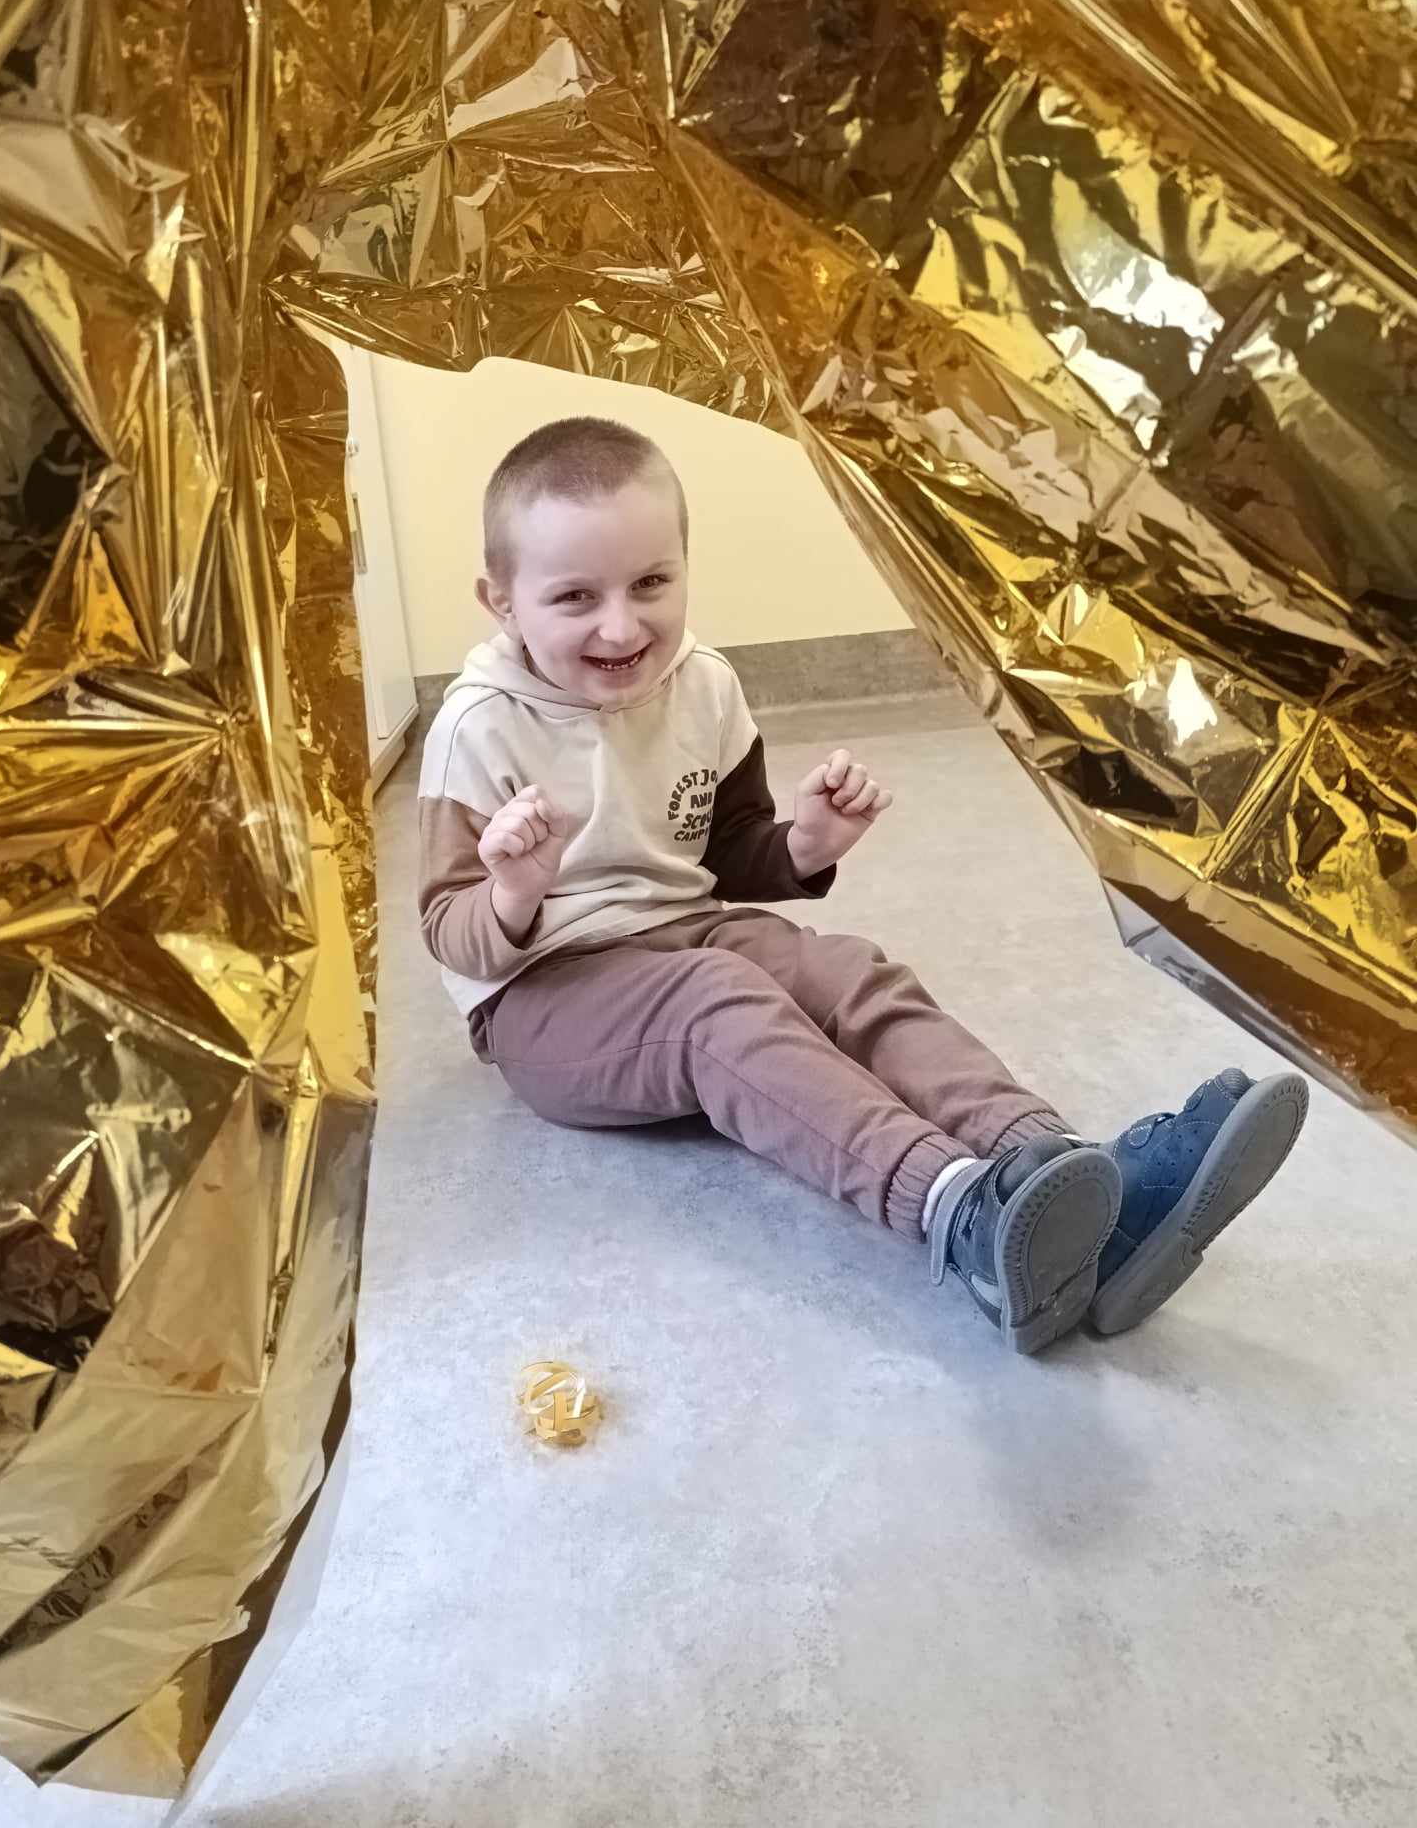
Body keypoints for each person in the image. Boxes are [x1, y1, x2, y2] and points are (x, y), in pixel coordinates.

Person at [417, 415, 1309, 1354]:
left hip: (682, 928)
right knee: (714, 1002)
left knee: (845, 971)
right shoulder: (479, 727)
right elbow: (447, 927)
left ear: (684, 566)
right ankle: (965, 1218)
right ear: (501, 602)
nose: (622, 625)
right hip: (543, 997)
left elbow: (727, 849)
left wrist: (803, 844)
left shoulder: (703, 683)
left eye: (650, 583)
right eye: (574, 597)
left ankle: (1067, 1179)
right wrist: (513, 891)